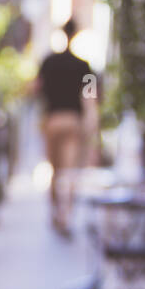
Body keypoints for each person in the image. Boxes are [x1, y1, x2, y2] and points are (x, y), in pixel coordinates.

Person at [31, 17, 96, 236]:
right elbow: (90, 98)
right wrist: (90, 125)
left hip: (52, 120)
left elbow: (36, 88)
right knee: (68, 171)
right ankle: (65, 215)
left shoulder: (48, 62)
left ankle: (55, 212)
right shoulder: (83, 66)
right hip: (72, 121)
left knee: (55, 170)